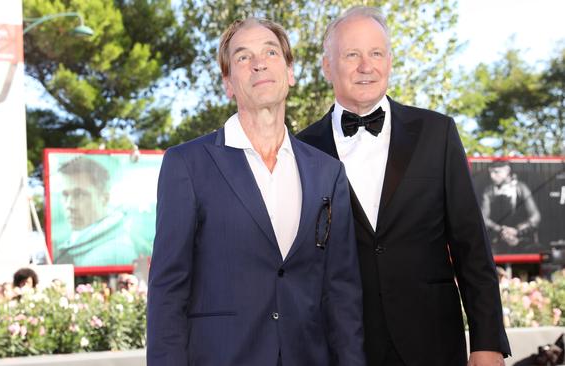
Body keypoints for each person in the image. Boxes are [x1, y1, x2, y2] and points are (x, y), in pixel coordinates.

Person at [297, 6, 510, 366]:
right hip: (339, 348)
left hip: (433, 344)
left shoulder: (437, 133)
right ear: (327, 66)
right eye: (352, 55)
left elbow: (470, 244)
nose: (367, 66)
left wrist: (487, 342)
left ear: (390, 61)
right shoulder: (301, 149)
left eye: (376, 53)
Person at [147, 17, 365, 366]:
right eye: (243, 57)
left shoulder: (328, 172)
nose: (259, 62)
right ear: (228, 83)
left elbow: (342, 293)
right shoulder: (187, 165)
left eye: (270, 52)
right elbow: (167, 292)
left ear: (290, 72)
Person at [53, 156, 152, 266]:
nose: (69, 205)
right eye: (65, 195)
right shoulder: (78, 244)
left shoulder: (111, 253)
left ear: (105, 198)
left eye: (79, 194)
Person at [481, 160, 541, 253]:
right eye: (491, 172)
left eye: (496, 172)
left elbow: (535, 216)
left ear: (507, 170)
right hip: (498, 241)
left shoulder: (521, 187)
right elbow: (483, 218)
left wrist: (517, 231)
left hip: (523, 240)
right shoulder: (489, 191)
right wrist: (501, 230)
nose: (492, 176)